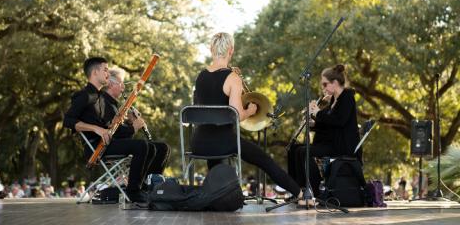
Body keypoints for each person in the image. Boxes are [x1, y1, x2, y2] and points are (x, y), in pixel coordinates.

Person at [191, 32, 301, 200]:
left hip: (198, 143)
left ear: (211, 49)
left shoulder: (201, 76)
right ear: (231, 50)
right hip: (223, 142)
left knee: (217, 155)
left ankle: (217, 196)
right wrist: (250, 110)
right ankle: (301, 194)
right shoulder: (233, 78)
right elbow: (237, 115)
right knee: (265, 161)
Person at [63, 57, 156, 204]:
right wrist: (96, 128)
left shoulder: (100, 98)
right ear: (95, 72)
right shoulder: (84, 95)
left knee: (149, 146)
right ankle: (133, 192)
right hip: (95, 147)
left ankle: (141, 188)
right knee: (141, 146)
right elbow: (67, 121)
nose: (108, 73)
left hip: (106, 143)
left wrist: (117, 121)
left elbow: (107, 126)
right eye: (105, 70)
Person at [287, 64, 361, 197]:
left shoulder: (347, 97)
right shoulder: (333, 100)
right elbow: (327, 124)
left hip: (341, 145)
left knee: (304, 152)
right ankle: (297, 190)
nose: (323, 88)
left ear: (335, 83)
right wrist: (312, 123)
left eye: (325, 84)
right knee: (294, 149)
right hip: (330, 142)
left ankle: (313, 191)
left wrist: (318, 112)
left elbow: (339, 121)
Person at [102, 67, 170, 180]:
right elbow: (114, 132)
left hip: (116, 143)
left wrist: (130, 123)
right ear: (110, 84)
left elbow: (121, 133)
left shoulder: (112, 104)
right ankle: (140, 185)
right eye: (121, 83)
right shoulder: (104, 102)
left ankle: (151, 183)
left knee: (163, 147)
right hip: (107, 146)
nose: (123, 87)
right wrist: (134, 127)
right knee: (145, 146)